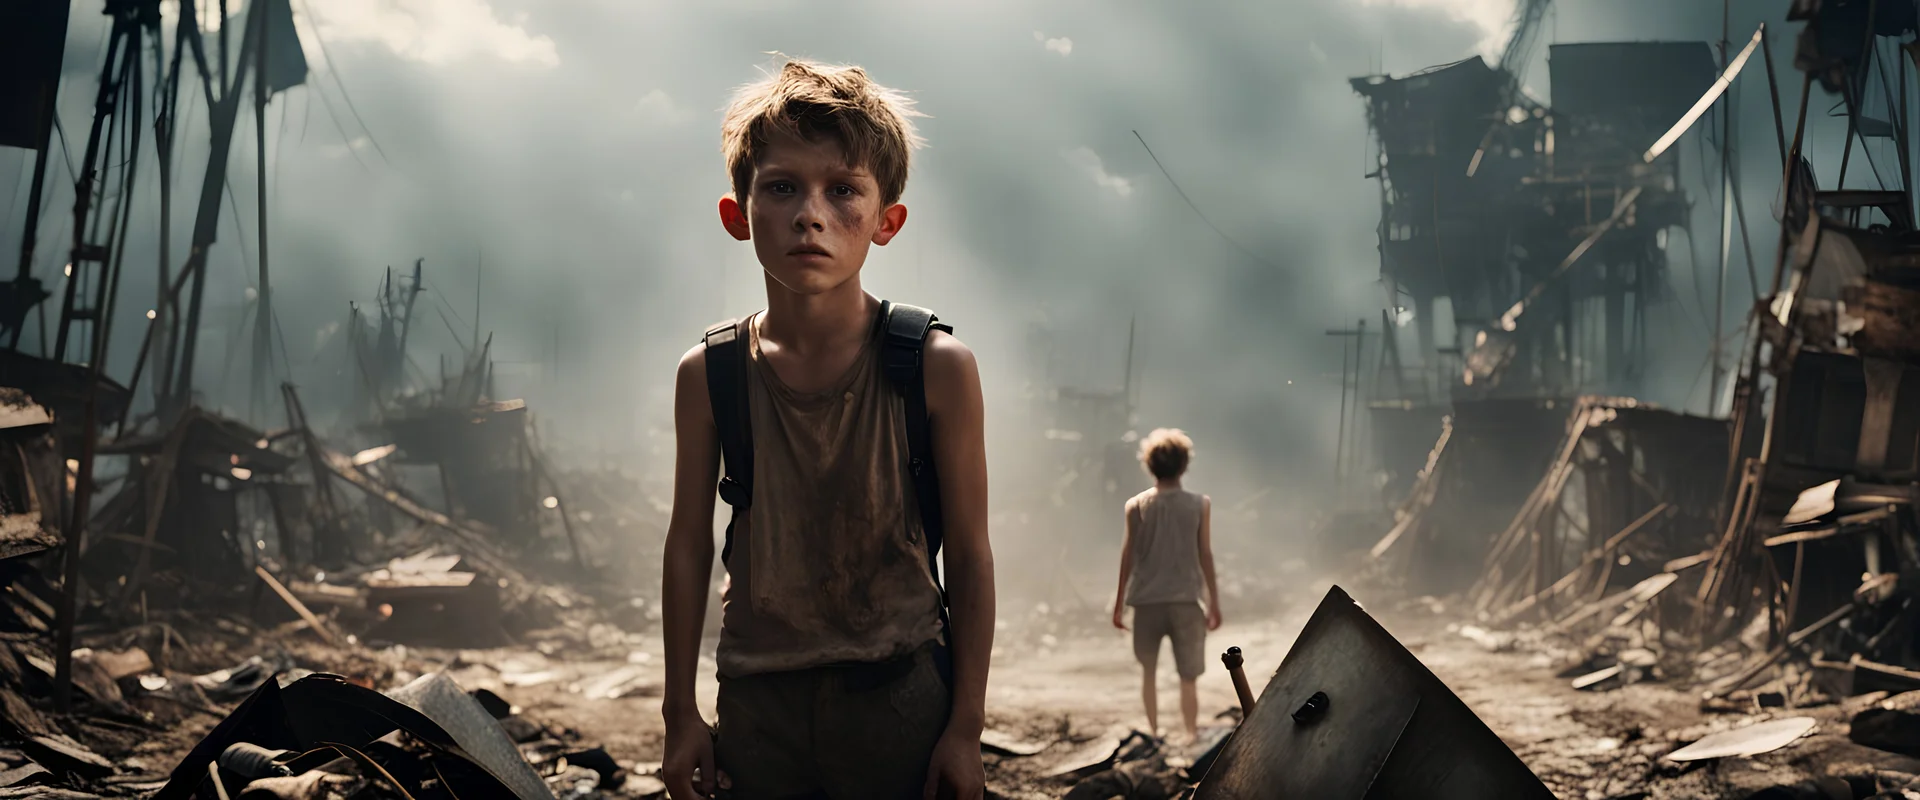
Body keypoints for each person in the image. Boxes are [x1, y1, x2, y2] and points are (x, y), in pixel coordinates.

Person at [659, 59, 994, 800]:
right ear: (738, 214)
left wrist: (964, 730)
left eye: (842, 190)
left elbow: (969, 556)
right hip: (757, 704)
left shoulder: (935, 365)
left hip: (899, 695)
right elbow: (687, 545)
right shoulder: (710, 374)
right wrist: (679, 714)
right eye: (781, 187)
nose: (810, 214)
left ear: (886, 221)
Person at [1110, 428, 1221, 741]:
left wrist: (1118, 605)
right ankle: (1189, 734)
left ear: (1149, 465)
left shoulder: (1136, 506)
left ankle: (1155, 732)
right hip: (1186, 602)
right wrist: (1214, 602)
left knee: (1148, 672)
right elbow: (1205, 555)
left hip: (1145, 603)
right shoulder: (1200, 504)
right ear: (1184, 465)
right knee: (1188, 677)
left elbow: (1127, 558)